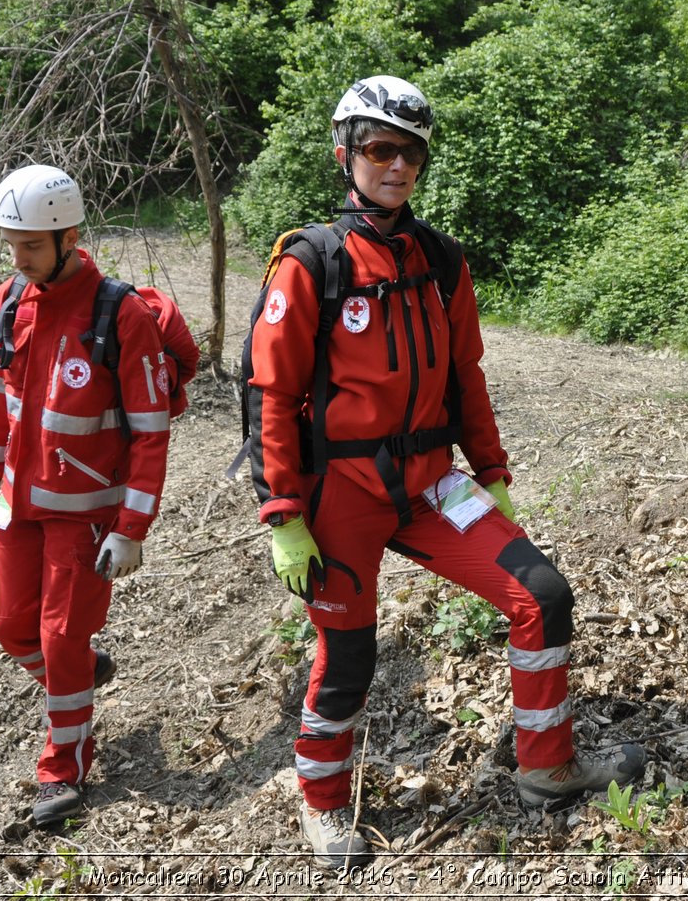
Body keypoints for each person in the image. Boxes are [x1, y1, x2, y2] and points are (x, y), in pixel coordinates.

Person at [245, 75, 645, 868]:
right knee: (349, 655)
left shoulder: (441, 260)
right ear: (346, 154)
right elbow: (270, 392)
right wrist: (282, 515)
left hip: (432, 485)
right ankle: (323, 804)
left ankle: (547, 767)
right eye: (380, 148)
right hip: (341, 495)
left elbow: (467, 376)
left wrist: (490, 470)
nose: (397, 165)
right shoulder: (309, 262)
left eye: (411, 152)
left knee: (542, 594)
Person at [0, 164, 171, 827]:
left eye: (29, 244)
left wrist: (132, 527)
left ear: (68, 234)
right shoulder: (10, 302)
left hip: (86, 515)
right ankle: (80, 672)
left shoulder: (121, 313)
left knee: (59, 636)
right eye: (11, 244)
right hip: (17, 502)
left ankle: (64, 768)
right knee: (5, 622)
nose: (18, 258)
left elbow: (151, 432)